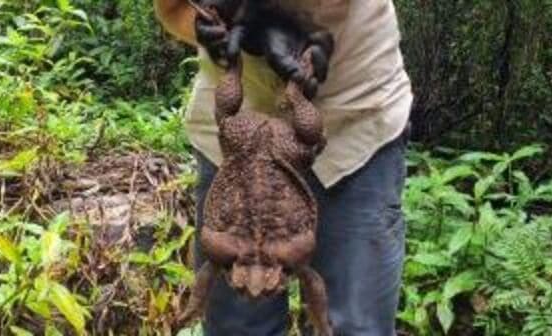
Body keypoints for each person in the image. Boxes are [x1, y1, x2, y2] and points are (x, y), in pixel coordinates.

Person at [154, 1, 413, 335]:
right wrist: (213, 27)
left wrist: (269, 16)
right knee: (237, 327)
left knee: (352, 325)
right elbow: (173, 7)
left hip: (353, 119)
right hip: (234, 141)